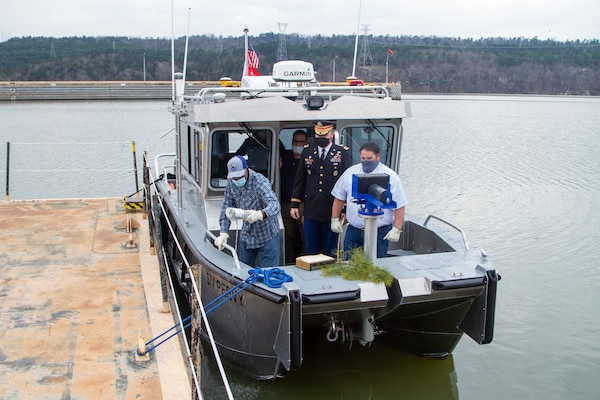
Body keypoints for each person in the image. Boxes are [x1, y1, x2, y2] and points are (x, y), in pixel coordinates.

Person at [330, 142, 407, 258]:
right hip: (354, 229)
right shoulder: (350, 173)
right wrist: (334, 219)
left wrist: (396, 229)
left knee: (377, 264)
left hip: (380, 231)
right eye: (363, 158)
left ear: (378, 157)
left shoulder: (391, 176)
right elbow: (339, 197)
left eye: (369, 158)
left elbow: (400, 205)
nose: (366, 161)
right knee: (348, 261)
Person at [291, 121, 351, 257]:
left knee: (331, 250)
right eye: (318, 135)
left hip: (332, 210)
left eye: (323, 135)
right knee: (311, 250)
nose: (320, 138)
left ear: (331, 134)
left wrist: (345, 209)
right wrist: (295, 204)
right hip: (311, 209)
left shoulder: (342, 153)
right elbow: (300, 179)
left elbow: (348, 183)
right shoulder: (308, 152)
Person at [214, 155, 281, 267]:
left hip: (267, 234)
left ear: (247, 169)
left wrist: (260, 214)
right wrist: (223, 232)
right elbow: (226, 207)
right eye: (234, 177)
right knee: (244, 272)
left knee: (270, 274)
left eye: (239, 177)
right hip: (247, 235)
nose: (236, 180)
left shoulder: (260, 182)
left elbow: (275, 204)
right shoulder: (232, 183)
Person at [280, 130, 308, 264]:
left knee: (305, 236)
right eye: (296, 141)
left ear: (306, 143)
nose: (298, 144)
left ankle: (305, 262)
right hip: (287, 204)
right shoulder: (284, 157)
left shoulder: (310, 160)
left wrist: (307, 210)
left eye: (301, 142)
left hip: (304, 204)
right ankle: (289, 262)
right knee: (287, 236)